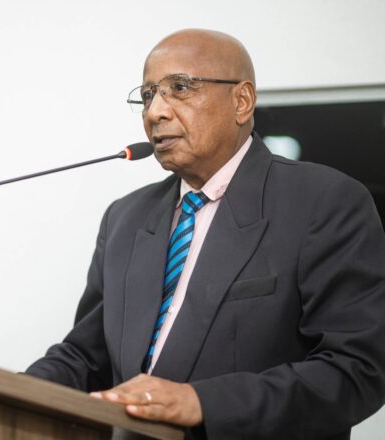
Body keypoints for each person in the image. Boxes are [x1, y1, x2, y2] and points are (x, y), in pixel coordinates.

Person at [25, 29, 385, 439]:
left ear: (242, 101)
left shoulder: (324, 202)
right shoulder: (125, 218)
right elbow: (85, 358)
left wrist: (201, 403)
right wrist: (1, 391)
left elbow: (358, 369)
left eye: (179, 88)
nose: (155, 112)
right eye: (147, 95)